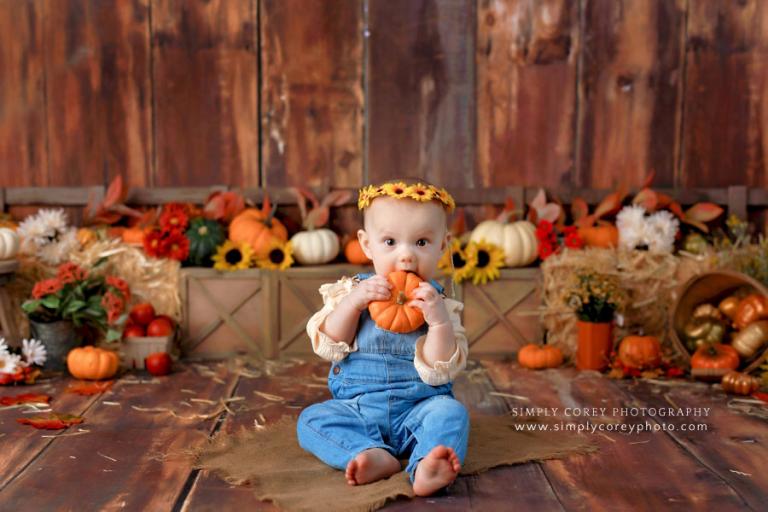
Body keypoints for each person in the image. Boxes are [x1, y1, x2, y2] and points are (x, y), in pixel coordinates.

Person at [296, 180, 470, 497]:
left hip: (418, 412)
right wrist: (353, 303)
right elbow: (329, 346)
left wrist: (438, 323)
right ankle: (369, 453)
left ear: (442, 246)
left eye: (421, 242)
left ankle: (425, 466)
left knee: (450, 413)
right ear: (366, 244)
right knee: (311, 420)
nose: (405, 257)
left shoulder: (440, 305)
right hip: (358, 411)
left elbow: (440, 368)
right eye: (390, 242)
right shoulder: (350, 292)